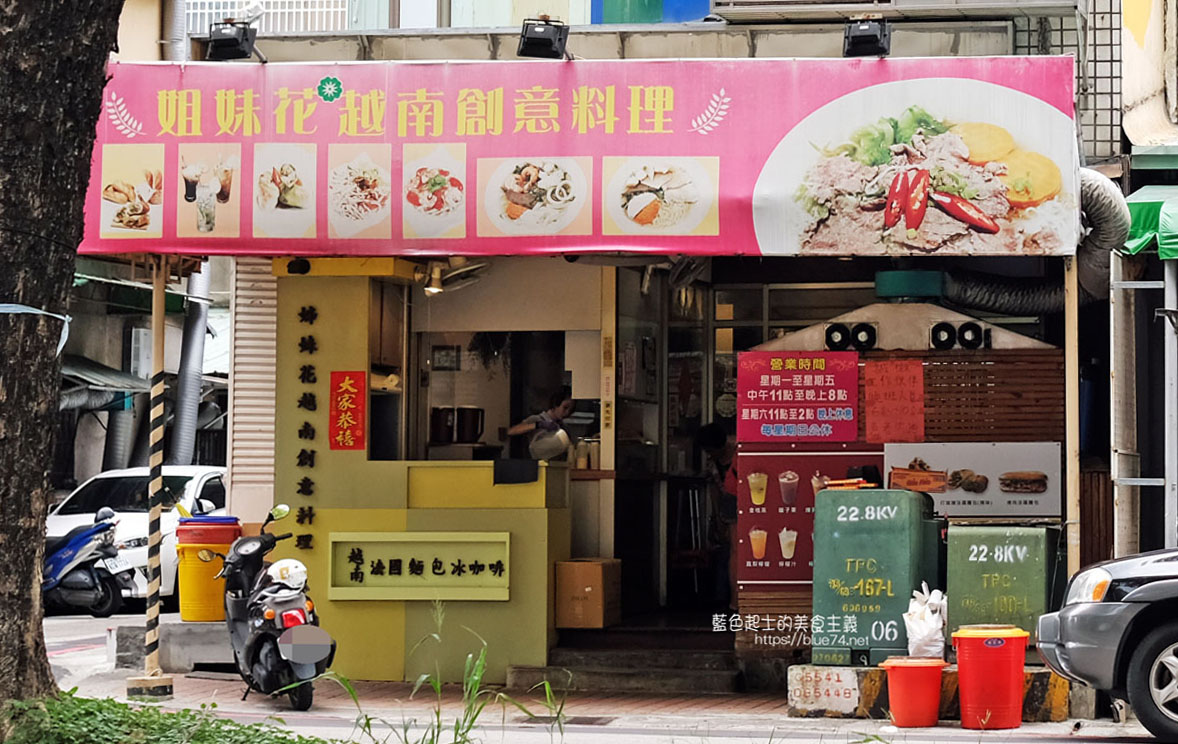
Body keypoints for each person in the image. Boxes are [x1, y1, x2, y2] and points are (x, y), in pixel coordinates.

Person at [697, 422, 738, 611]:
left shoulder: (740, 451)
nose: (708, 454)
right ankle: (724, 598)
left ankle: (732, 600)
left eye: (710, 450)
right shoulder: (712, 463)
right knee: (726, 549)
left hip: (745, 500)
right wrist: (716, 516)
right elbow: (714, 488)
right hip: (728, 504)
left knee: (735, 551)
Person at [508, 387, 575, 460]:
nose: (567, 413)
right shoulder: (537, 419)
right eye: (565, 408)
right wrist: (538, 425)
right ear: (556, 404)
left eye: (570, 410)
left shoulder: (564, 427)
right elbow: (511, 431)